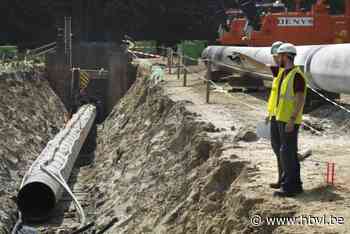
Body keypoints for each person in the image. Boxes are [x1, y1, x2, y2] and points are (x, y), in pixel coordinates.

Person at [270, 43, 307, 197]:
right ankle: (291, 184)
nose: (277, 59)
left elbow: (299, 99)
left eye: (279, 56)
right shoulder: (284, 74)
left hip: (289, 120)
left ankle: (291, 187)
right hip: (281, 118)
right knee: (285, 152)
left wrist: (292, 120)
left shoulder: (296, 75)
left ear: (286, 56)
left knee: (288, 152)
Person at [266, 41, 284, 190]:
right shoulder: (277, 72)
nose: (275, 59)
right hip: (275, 114)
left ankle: (284, 179)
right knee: (276, 147)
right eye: (274, 57)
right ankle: (281, 178)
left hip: (284, 116)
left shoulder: (286, 71)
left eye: (277, 56)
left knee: (282, 149)